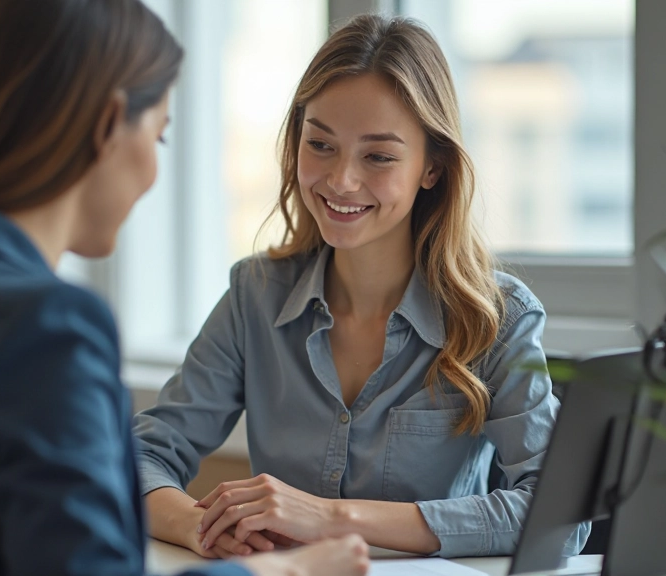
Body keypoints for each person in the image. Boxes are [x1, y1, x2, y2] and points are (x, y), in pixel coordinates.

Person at [0, 1, 369, 575]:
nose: (152, 173)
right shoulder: (48, 328)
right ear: (108, 125)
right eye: (159, 137)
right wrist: (280, 571)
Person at [133, 13, 591, 560]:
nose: (341, 180)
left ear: (432, 168)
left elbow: (561, 517)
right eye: (320, 144)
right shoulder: (254, 296)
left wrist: (332, 518)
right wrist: (200, 527)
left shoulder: (498, 319)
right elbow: (139, 458)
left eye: (378, 156)